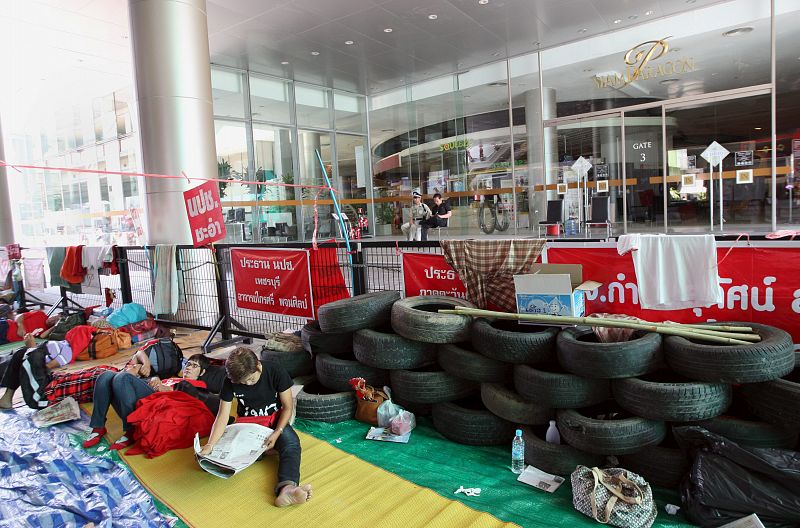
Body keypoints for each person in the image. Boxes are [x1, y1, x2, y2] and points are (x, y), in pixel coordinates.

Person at [200, 347, 312, 507]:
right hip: (247, 425)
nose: (247, 384)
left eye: (251, 380)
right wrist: (210, 445)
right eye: (242, 383)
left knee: (292, 445)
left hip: (274, 421)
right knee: (210, 460)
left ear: (258, 366)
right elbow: (223, 416)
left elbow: (288, 407)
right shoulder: (229, 381)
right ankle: (264, 452)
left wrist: (277, 432)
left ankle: (287, 489)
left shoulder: (275, 371)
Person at [82, 343, 182, 450]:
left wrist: (155, 378)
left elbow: (168, 390)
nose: (132, 366)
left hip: (149, 401)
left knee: (122, 378)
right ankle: (98, 426)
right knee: (105, 376)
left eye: (194, 365)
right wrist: (145, 364)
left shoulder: (154, 375)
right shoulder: (133, 369)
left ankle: (131, 430)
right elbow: (139, 352)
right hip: (128, 393)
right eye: (189, 364)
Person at [0, 332, 79, 409]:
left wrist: (32, 349)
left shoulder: (68, 352)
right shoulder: (62, 344)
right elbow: (42, 336)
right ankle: (7, 397)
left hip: (40, 396)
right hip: (33, 364)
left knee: (29, 355)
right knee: (19, 353)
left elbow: (47, 366)